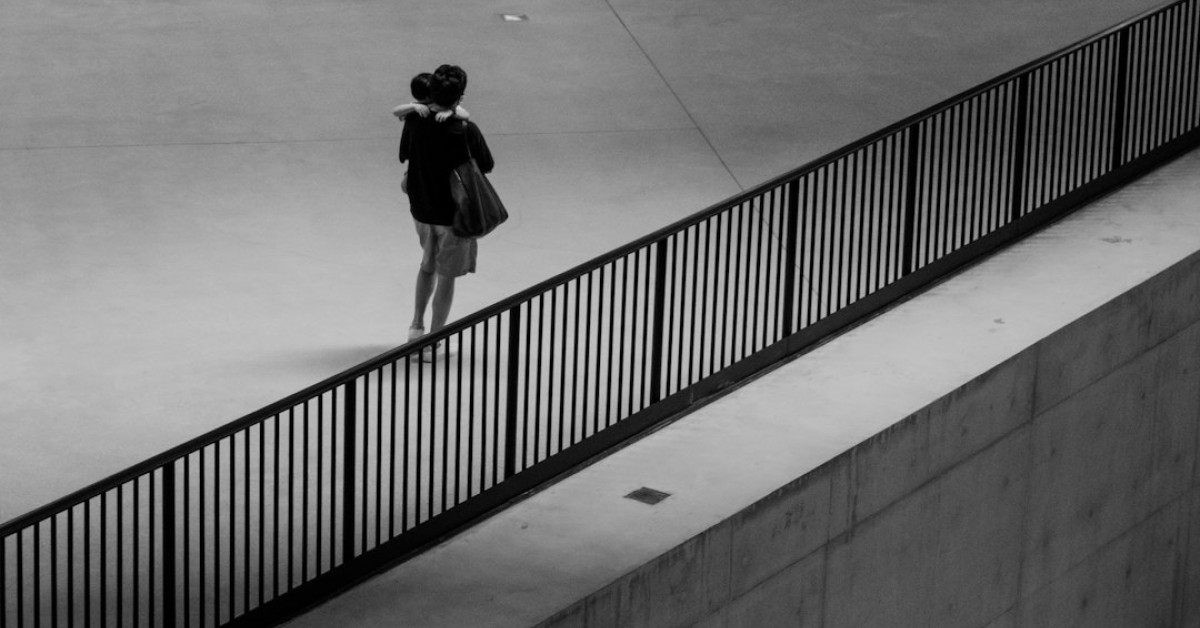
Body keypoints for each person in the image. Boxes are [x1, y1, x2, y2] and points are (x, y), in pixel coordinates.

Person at [398, 65, 494, 355]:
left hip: (422, 210)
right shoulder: (464, 129)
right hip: (454, 216)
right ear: (459, 97)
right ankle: (433, 342)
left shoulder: (413, 120)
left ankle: (416, 329)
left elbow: (404, 154)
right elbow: (486, 164)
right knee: (446, 275)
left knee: (427, 266)